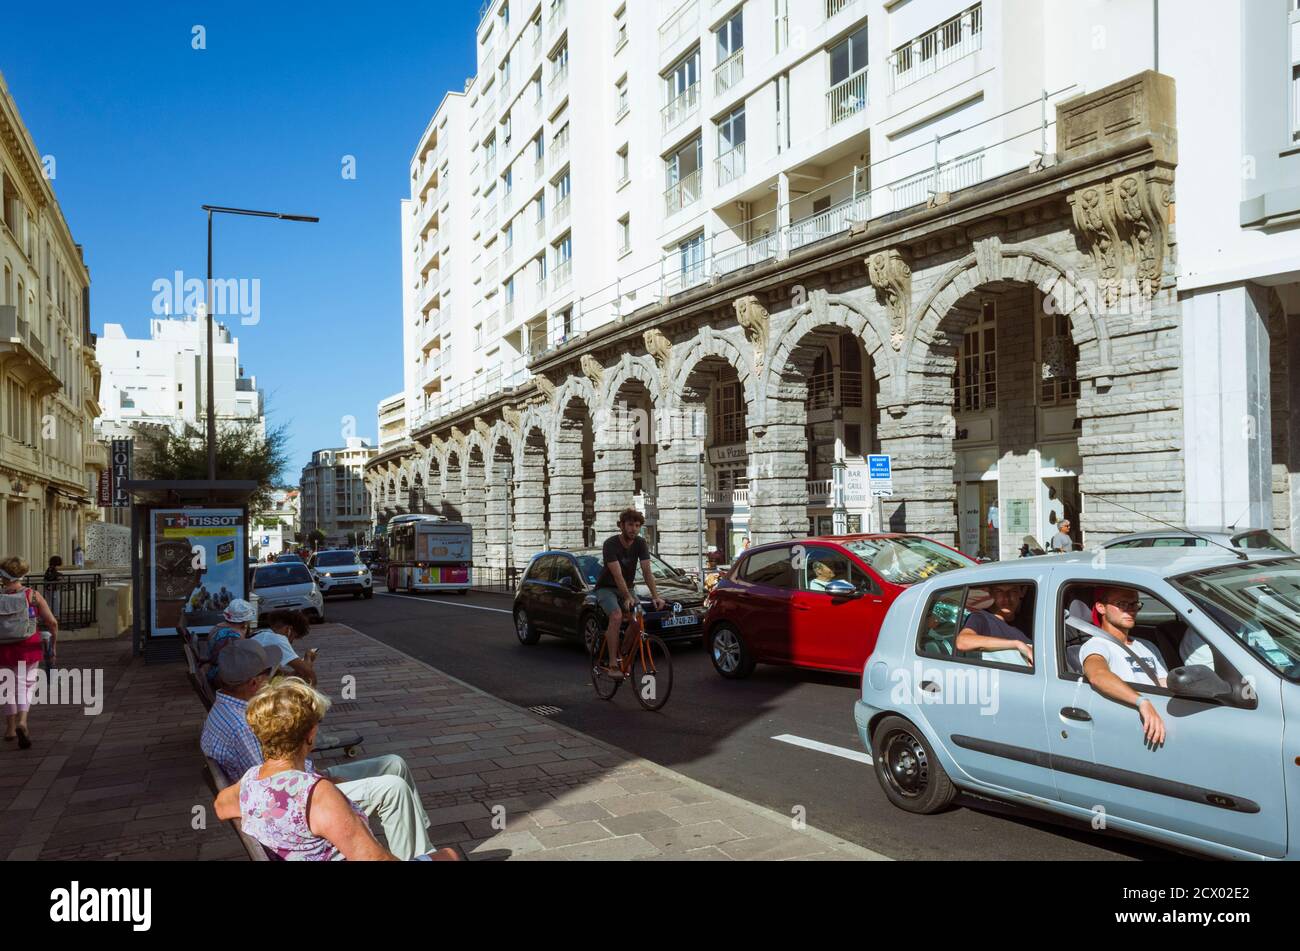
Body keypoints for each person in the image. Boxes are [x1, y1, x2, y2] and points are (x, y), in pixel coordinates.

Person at [201, 641, 439, 860]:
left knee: (393, 763)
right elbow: (281, 779)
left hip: (288, 785)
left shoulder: (238, 713)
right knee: (392, 789)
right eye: (270, 674)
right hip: (297, 796)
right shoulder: (243, 727)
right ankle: (418, 856)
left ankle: (422, 844)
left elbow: (259, 778)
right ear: (254, 683)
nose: (274, 677)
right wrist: (326, 783)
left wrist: (322, 778)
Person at [1080, 586, 1167, 745]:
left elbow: (1163, 683)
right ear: (1101, 607)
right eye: (1122, 604)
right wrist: (1141, 702)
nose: (1131, 610)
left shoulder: (1146, 645)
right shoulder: (1097, 645)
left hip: (1159, 718)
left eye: (1134, 604)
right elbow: (1097, 675)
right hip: (1132, 722)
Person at [593, 509, 666, 681]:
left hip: (628, 587)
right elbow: (617, 575)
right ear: (622, 526)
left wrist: (656, 596)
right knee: (617, 616)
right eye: (630, 525)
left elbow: (647, 571)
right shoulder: (610, 544)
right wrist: (627, 597)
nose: (634, 529)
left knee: (639, 619)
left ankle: (622, 653)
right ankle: (612, 664)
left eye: (637, 525)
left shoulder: (640, 543)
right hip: (606, 588)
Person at [0, 556, 58, 749]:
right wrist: (54, 644)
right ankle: (22, 722)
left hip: (2, 647)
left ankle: (9, 729)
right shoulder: (32, 595)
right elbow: (51, 622)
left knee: (6, 687)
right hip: (28, 646)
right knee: (25, 685)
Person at [954, 583, 1033, 665]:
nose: (1006, 598)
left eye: (1013, 591)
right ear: (991, 593)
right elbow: (962, 642)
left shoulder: (1027, 622)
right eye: (999, 591)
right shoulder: (981, 618)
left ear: (1022, 592)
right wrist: (1017, 644)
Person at [253, 609, 316, 685]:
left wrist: (294, 673)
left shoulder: (261, 634)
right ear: (288, 629)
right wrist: (308, 658)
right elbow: (308, 674)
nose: (291, 642)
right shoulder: (278, 640)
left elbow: (277, 673)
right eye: (294, 637)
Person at [205, 599, 258, 685]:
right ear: (245, 621)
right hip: (221, 677)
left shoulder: (219, 626)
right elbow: (236, 662)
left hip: (215, 670)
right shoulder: (232, 636)